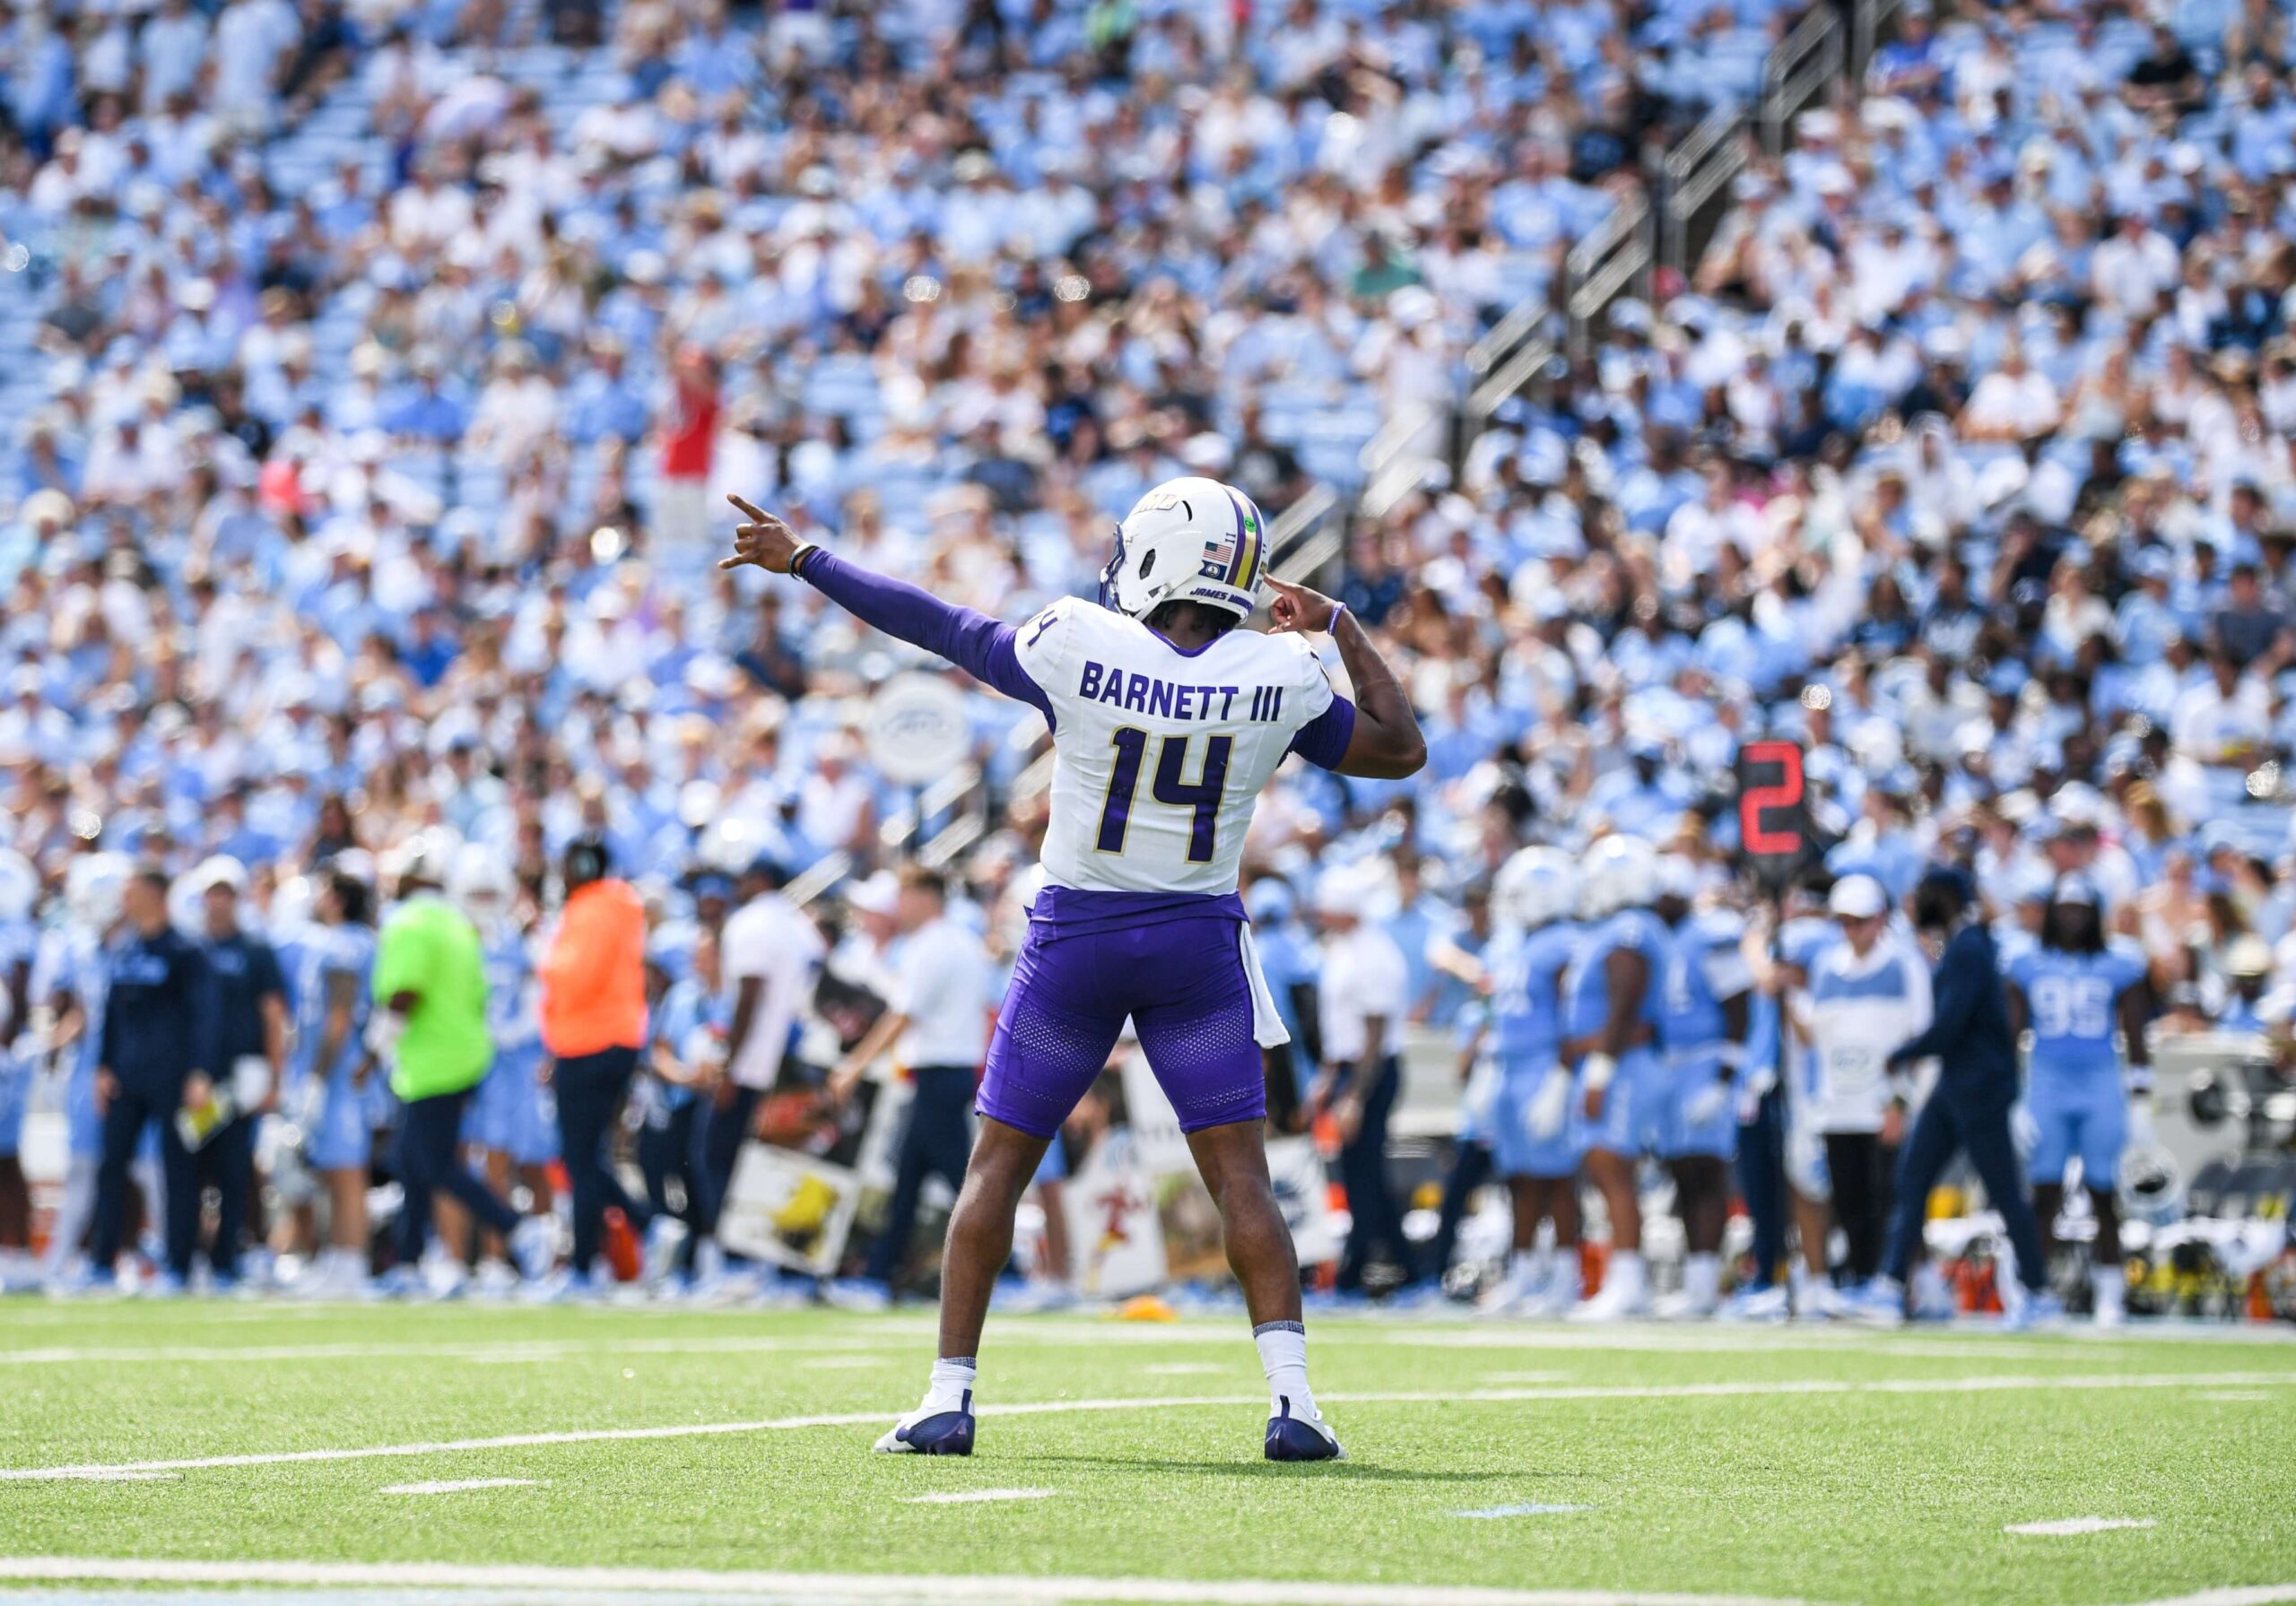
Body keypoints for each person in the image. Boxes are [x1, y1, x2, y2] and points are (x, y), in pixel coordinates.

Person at [720, 475, 1425, 1461]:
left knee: (998, 1166)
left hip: (1076, 942)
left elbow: (943, 627)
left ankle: (946, 1396)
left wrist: (807, 559)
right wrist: (1343, 623)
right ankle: (1296, 1403)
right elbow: (1401, 748)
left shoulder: (1081, 641)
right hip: (1195, 945)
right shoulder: (1282, 670)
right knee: (1240, 1182)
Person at [1848, 866, 2059, 1328]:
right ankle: (1888, 1286)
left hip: (1977, 1087)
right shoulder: (1964, 943)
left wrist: (1901, 1053)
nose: (1917, 902)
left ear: (1941, 896)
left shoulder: (1968, 946)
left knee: (2002, 1191)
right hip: (1957, 1084)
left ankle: (2040, 1292)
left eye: (1923, 893)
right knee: (1912, 1179)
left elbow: (1949, 1026)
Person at [370, 840, 552, 1296]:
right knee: (411, 1161)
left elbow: (404, 993)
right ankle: (408, 1263)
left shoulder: (410, 921)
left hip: (433, 1059)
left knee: (433, 1163)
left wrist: (374, 1049)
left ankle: (516, 1229)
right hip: (463, 1054)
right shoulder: (456, 924)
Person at [826, 866, 996, 1306]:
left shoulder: (931, 946)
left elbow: (904, 1015)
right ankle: (879, 1277)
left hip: (941, 1073)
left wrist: (853, 1066)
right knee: (911, 1182)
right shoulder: (958, 942)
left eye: (902, 896)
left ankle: (1007, 1270)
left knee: (963, 1182)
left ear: (925, 896)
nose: (896, 907)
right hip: (947, 1073)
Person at [2004, 874, 2152, 1326]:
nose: (2072, 916)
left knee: (2104, 1193)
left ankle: (2111, 1293)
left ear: (2094, 914)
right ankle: (2034, 1290)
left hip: (2101, 1081)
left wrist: (2141, 1097)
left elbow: (2135, 1029)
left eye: (2081, 908)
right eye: (2065, 907)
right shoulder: (2027, 960)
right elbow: (2012, 1033)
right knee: (2043, 1193)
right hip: (2046, 1081)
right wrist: (2011, 1097)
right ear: (2052, 912)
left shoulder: (2118, 961)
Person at [1789, 874, 1932, 1315]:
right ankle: (1863, 1281)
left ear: (1880, 920)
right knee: (1850, 1203)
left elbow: (1922, 1040)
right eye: (1845, 922)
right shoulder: (1828, 967)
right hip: (1839, 1107)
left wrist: (1903, 1101)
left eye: (1860, 921)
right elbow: (1815, 1034)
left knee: (1888, 1200)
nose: (1852, 931)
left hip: (1885, 1105)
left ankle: (1900, 1286)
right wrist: (1788, 993)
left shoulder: (1904, 965)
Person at [84, 864, 217, 1293]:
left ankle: (179, 1266)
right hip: (125, 1077)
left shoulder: (186, 951)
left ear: (156, 894)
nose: (125, 898)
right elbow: (111, 1015)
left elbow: (203, 1017)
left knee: (178, 1171)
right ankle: (103, 1263)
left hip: (174, 1079)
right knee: (111, 1169)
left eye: (133, 890)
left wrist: (200, 1072)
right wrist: (103, 1067)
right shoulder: (123, 948)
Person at [537, 832, 653, 1294]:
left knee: (580, 1160)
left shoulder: (589, 910)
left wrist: (544, 967)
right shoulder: (622, 906)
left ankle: (585, 1266)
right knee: (590, 1158)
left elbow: (575, 976)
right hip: (619, 1039)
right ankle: (647, 1227)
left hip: (588, 1042)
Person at [1475, 846, 1585, 1315]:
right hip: (1510, 1066)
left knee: (1557, 1177)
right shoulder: (1520, 941)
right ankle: (1523, 1276)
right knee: (1518, 1178)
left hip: (1545, 1067)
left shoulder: (1565, 943)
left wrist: (1561, 1079)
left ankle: (1565, 1277)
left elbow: (1573, 1017)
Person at [1562, 834, 1667, 1321]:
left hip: (1620, 1065)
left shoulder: (1629, 928)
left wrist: (1599, 1068)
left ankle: (1628, 1282)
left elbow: (1624, 1004)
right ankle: (1624, 1278)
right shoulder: (1618, 926)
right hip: (1609, 1058)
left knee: (1613, 1166)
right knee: (1606, 1168)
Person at [709, 850, 823, 1292]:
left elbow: (750, 994)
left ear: (757, 880)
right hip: (800, 1059)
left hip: (759, 1065)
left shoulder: (751, 923)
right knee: (787, 1163)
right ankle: (789, 1270)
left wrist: (730, 1065)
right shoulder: (801, 924)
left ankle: (741, 1263)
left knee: (721, 1159)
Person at [1312, 872, 1425, 1301]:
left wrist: (1355, 1095)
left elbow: (1374, 1033)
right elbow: (1341, 1025)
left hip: (1369, 1072)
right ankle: (1396, 1268)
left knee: (1364, 1171)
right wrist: (1327, 1078)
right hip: (1349, 1068)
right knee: (1362, 1172)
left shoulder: (1373, 954)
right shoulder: (1346, 949)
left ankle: (1359, 1272)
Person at [1652, 855, 1754, 1318]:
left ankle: (1706, 1283)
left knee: (1706, 1174)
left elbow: (1739, 1009)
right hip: (1674, 1067)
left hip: (1708, 1060)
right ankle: (1695, 1280)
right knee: (1681, 1174)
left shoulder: (1712, 935)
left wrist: (1724, 1077)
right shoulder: (1665, 940)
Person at [454, 844, 558, 1292]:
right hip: (470, 1064)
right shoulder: (459, 942)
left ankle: (531, 1261)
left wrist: (510, 1033)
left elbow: (538, 1003)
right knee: (471, 1162)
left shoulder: (520, 945)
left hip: (515, 1066)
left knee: (524, 1163)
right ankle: (473, 1259)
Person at [187, 856, 287, 1289]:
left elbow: (273, 1015)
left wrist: (274, 1077)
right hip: (197, 1081)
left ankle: (230, 1258)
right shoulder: (191, 947)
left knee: (235, 1170)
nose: (220, 901)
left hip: (242, 1079)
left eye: (227, 892)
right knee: (191, 1170)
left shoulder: (255, 950)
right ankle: (188, 1256)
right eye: (214, 892)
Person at [286, 864, 379, 1298]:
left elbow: (338, 1018)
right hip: (341, 1071)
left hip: (341, 1074)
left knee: (346, 1173)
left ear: (338, 899)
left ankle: (351, 1262)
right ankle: (339, 1258)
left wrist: (318, 1079)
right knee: (333, 1171)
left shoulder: (343, 944)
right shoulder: (348, 942)